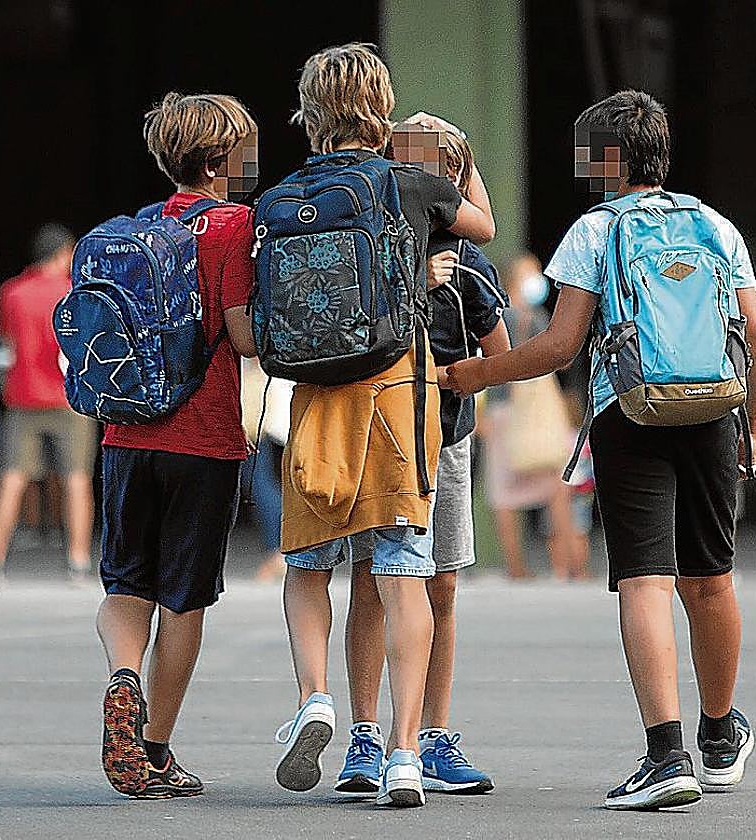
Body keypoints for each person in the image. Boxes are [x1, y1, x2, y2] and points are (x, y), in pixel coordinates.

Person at [446, 90, 756, 810]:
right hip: (715, 411)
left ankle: (667, 757)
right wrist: (749, 426)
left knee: (646, 583)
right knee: (712, 579)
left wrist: (475, 372)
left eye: (585, 150)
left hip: (631, 413)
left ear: (609, 159)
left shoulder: (596, 231)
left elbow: (559, 346)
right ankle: (719, 736)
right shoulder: (715, 225)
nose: (577, 162)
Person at [269, 43, 495, 810]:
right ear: (382, 105)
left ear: (310, 113)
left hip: (313, 399)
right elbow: (484, 226)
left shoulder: (286, 193)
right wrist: (448, 155)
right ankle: (404, 753)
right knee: (406, 576)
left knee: (310, 565)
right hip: (400, 394)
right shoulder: (411, 182)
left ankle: (316, 699)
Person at [94, 92, 259, 799]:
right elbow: (244, 336)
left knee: (127, 582)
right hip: (205, 437)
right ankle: (156, 750)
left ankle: (122, 677)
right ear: (220, 160)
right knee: (184, 599)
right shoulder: (232, 226)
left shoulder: (129, 230)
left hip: (125, 432)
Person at [336, 128, 508, 797]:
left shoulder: (464, 264)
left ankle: (414, 736)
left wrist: (445, 377)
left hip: (428, 439)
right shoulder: (371, 251)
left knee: (420, 588)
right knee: (394, 585)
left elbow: (498, 355)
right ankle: (372, 736)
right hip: (396, 437)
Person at [0, 223, 98, 586]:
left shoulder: (11, 292)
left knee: (13, 477)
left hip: (23, 395)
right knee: (76, 479)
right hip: (70, 397)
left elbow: (7, 341)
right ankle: (77, 562)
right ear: (65, 253)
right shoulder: (74, 291)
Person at [482, 254, 585, 580]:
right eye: (531, 273)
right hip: (533, 415)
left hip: (499, 412)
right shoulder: (535, 319)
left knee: (503, 493)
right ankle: (573, 568)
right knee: (557, 488)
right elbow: (562, 359)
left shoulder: (491, 315)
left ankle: (516, 568)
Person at [240, 358, 292, 583]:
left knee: (262, 488)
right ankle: (279, 551)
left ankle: (278, 551)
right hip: (257, 425)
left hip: (255, 427)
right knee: (261, 487)